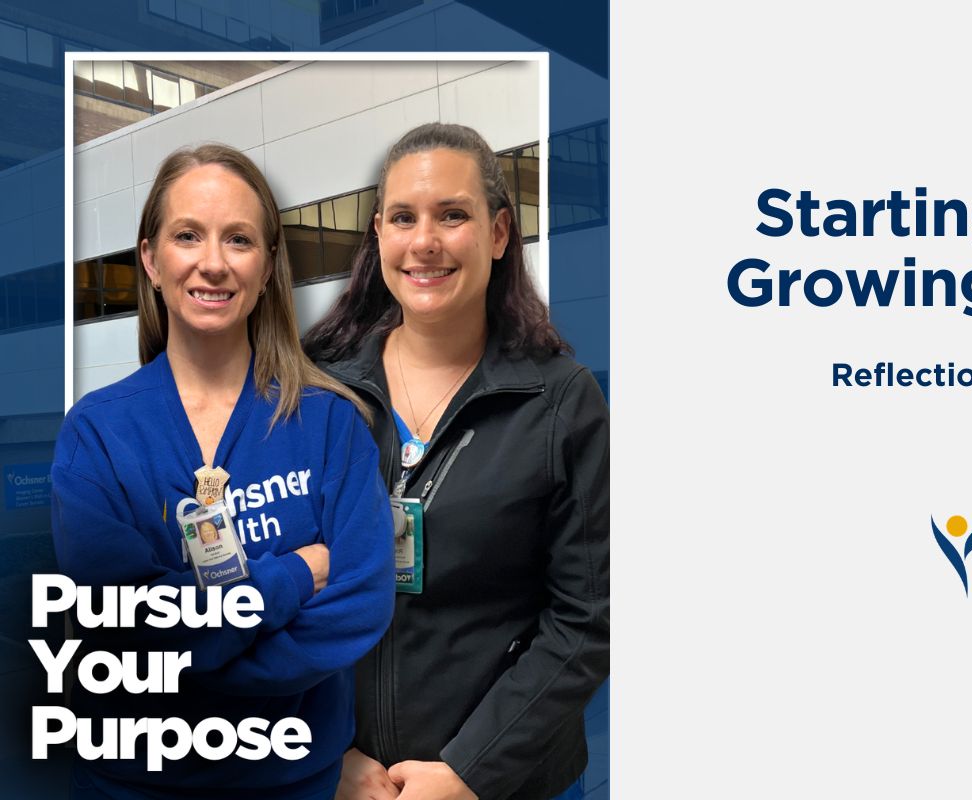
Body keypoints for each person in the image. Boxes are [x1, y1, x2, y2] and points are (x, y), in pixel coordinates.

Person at [51, 144, 395, 799]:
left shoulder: (330, 424)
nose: (212, 262)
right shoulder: (96, 434)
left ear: (267, 267)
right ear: (151, 259)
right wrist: (296, 573)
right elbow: (125, 629)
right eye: (188, 235)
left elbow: (360, 605)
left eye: (238, 239)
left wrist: (188, 646)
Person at [305, 123, 608, 800]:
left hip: (513, 785)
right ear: (379, 234)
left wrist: (473, 770)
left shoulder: (560, 402)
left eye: (453, 215)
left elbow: (586, 618)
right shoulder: (316, 391)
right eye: (404, 218)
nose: (425, 242)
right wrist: (322, 747)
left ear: (499, 234)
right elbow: (271, 589)